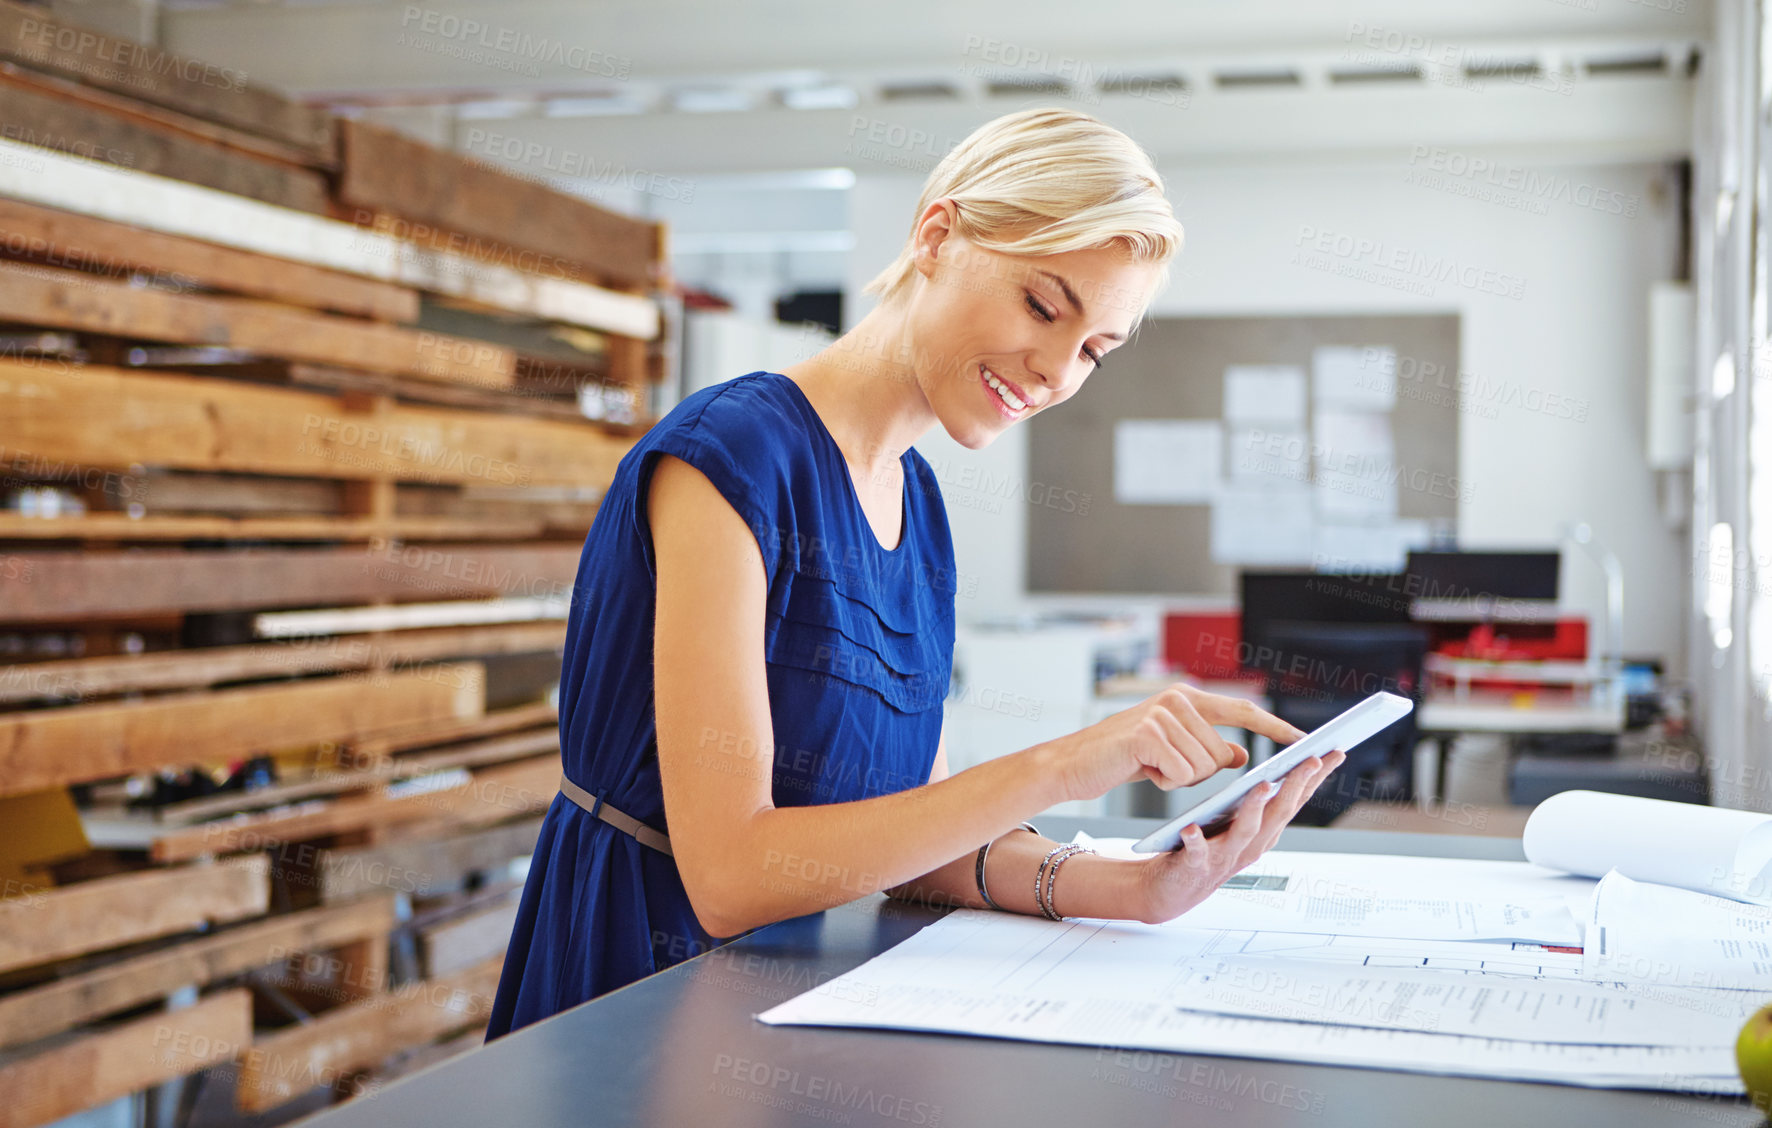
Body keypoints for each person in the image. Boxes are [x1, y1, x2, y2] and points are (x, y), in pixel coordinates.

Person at [484, 107, 1344, 1041]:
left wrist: (1138, 889)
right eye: (1043, 306)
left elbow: (916, 845)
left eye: (1094, 348)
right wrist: (1067, 763)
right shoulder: (731, 456)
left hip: (780, 991)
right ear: (938, 235)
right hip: (634, 987)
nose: (1058, 371)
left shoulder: (919, 506)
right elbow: (729, 876)